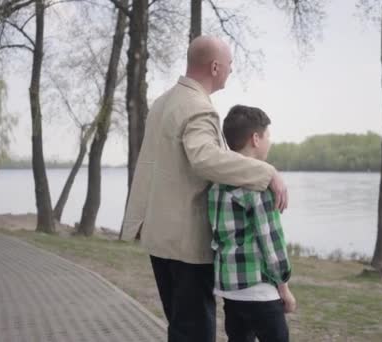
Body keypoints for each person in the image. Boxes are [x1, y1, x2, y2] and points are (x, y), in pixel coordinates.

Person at [120, 36, 289, 342]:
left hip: (159, 236)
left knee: (180, 326)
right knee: (194, 332)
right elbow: (205, 159)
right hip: (186, 244)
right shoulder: (198, 107)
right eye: (229, 65)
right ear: (215, 67)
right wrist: (267, 172)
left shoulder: (163, 102)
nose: (231, 71)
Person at [209, 105, 295, 342]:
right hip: (260, 292)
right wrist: (284, 287)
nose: (270, 141)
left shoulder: (216, 184)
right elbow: (271, 242)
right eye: (268, 135)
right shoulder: (259, 185)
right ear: (255, 139)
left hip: (230, 289)